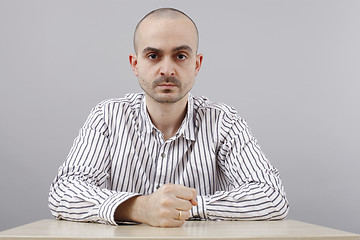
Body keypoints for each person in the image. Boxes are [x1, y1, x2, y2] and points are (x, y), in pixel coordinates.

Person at [48, 7, 289, 228]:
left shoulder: (223, 121)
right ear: (135, 64)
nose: (166, 70)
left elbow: (272, 196)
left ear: (197, 64)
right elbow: (64, 191)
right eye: (153, 56)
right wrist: (140, 207)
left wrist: (184, 208)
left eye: (180, 56)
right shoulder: (107, 116)